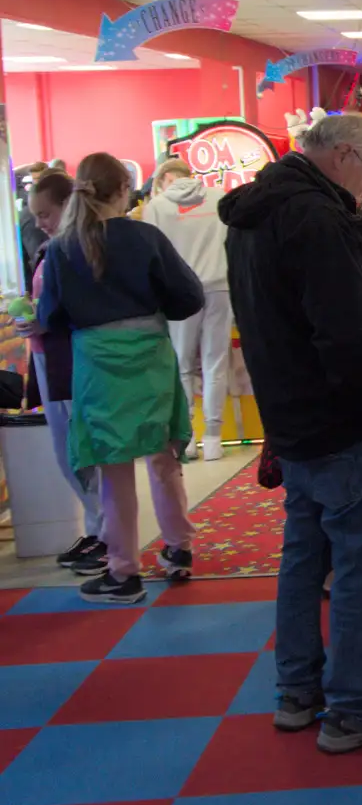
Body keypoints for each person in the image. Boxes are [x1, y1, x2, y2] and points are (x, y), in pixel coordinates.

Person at [222, 112, 362, 754]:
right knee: (360, 565)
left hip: (290, 418)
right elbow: (346, 335)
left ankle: (297, 693)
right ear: (346, 156)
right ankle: (352, 708)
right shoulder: (320, 220)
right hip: (342, 422)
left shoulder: (254, 214)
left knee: (303, 558)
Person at [36, 153, 203, 604]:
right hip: (150, 358)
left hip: (96, 364)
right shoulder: (146, 237)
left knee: (113, 471)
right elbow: (188, 297)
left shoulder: (61, 249)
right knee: (163, 458)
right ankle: (178, 548)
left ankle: (123, 571)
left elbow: (49, 316)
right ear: (125, 190)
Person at [23, 171, 105, 574]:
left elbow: (81, 310)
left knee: (83, 451)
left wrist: (44, 321)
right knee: (67, 452)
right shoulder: (52, 249)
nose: (40, 222)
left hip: (72, 359)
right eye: (36, 215)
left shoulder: (77, 250)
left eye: (46, 213)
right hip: (49, 359)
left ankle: (106, 533)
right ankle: (97, 527)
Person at [142, 158, 232, 462]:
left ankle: (188, 436)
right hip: (220, 285)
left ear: (166, 177)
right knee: (215, 362)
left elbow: (151, 254)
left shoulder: (156, 206)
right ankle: (214, 437)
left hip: (179, 290)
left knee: (181, 364)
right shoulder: (218, 197)